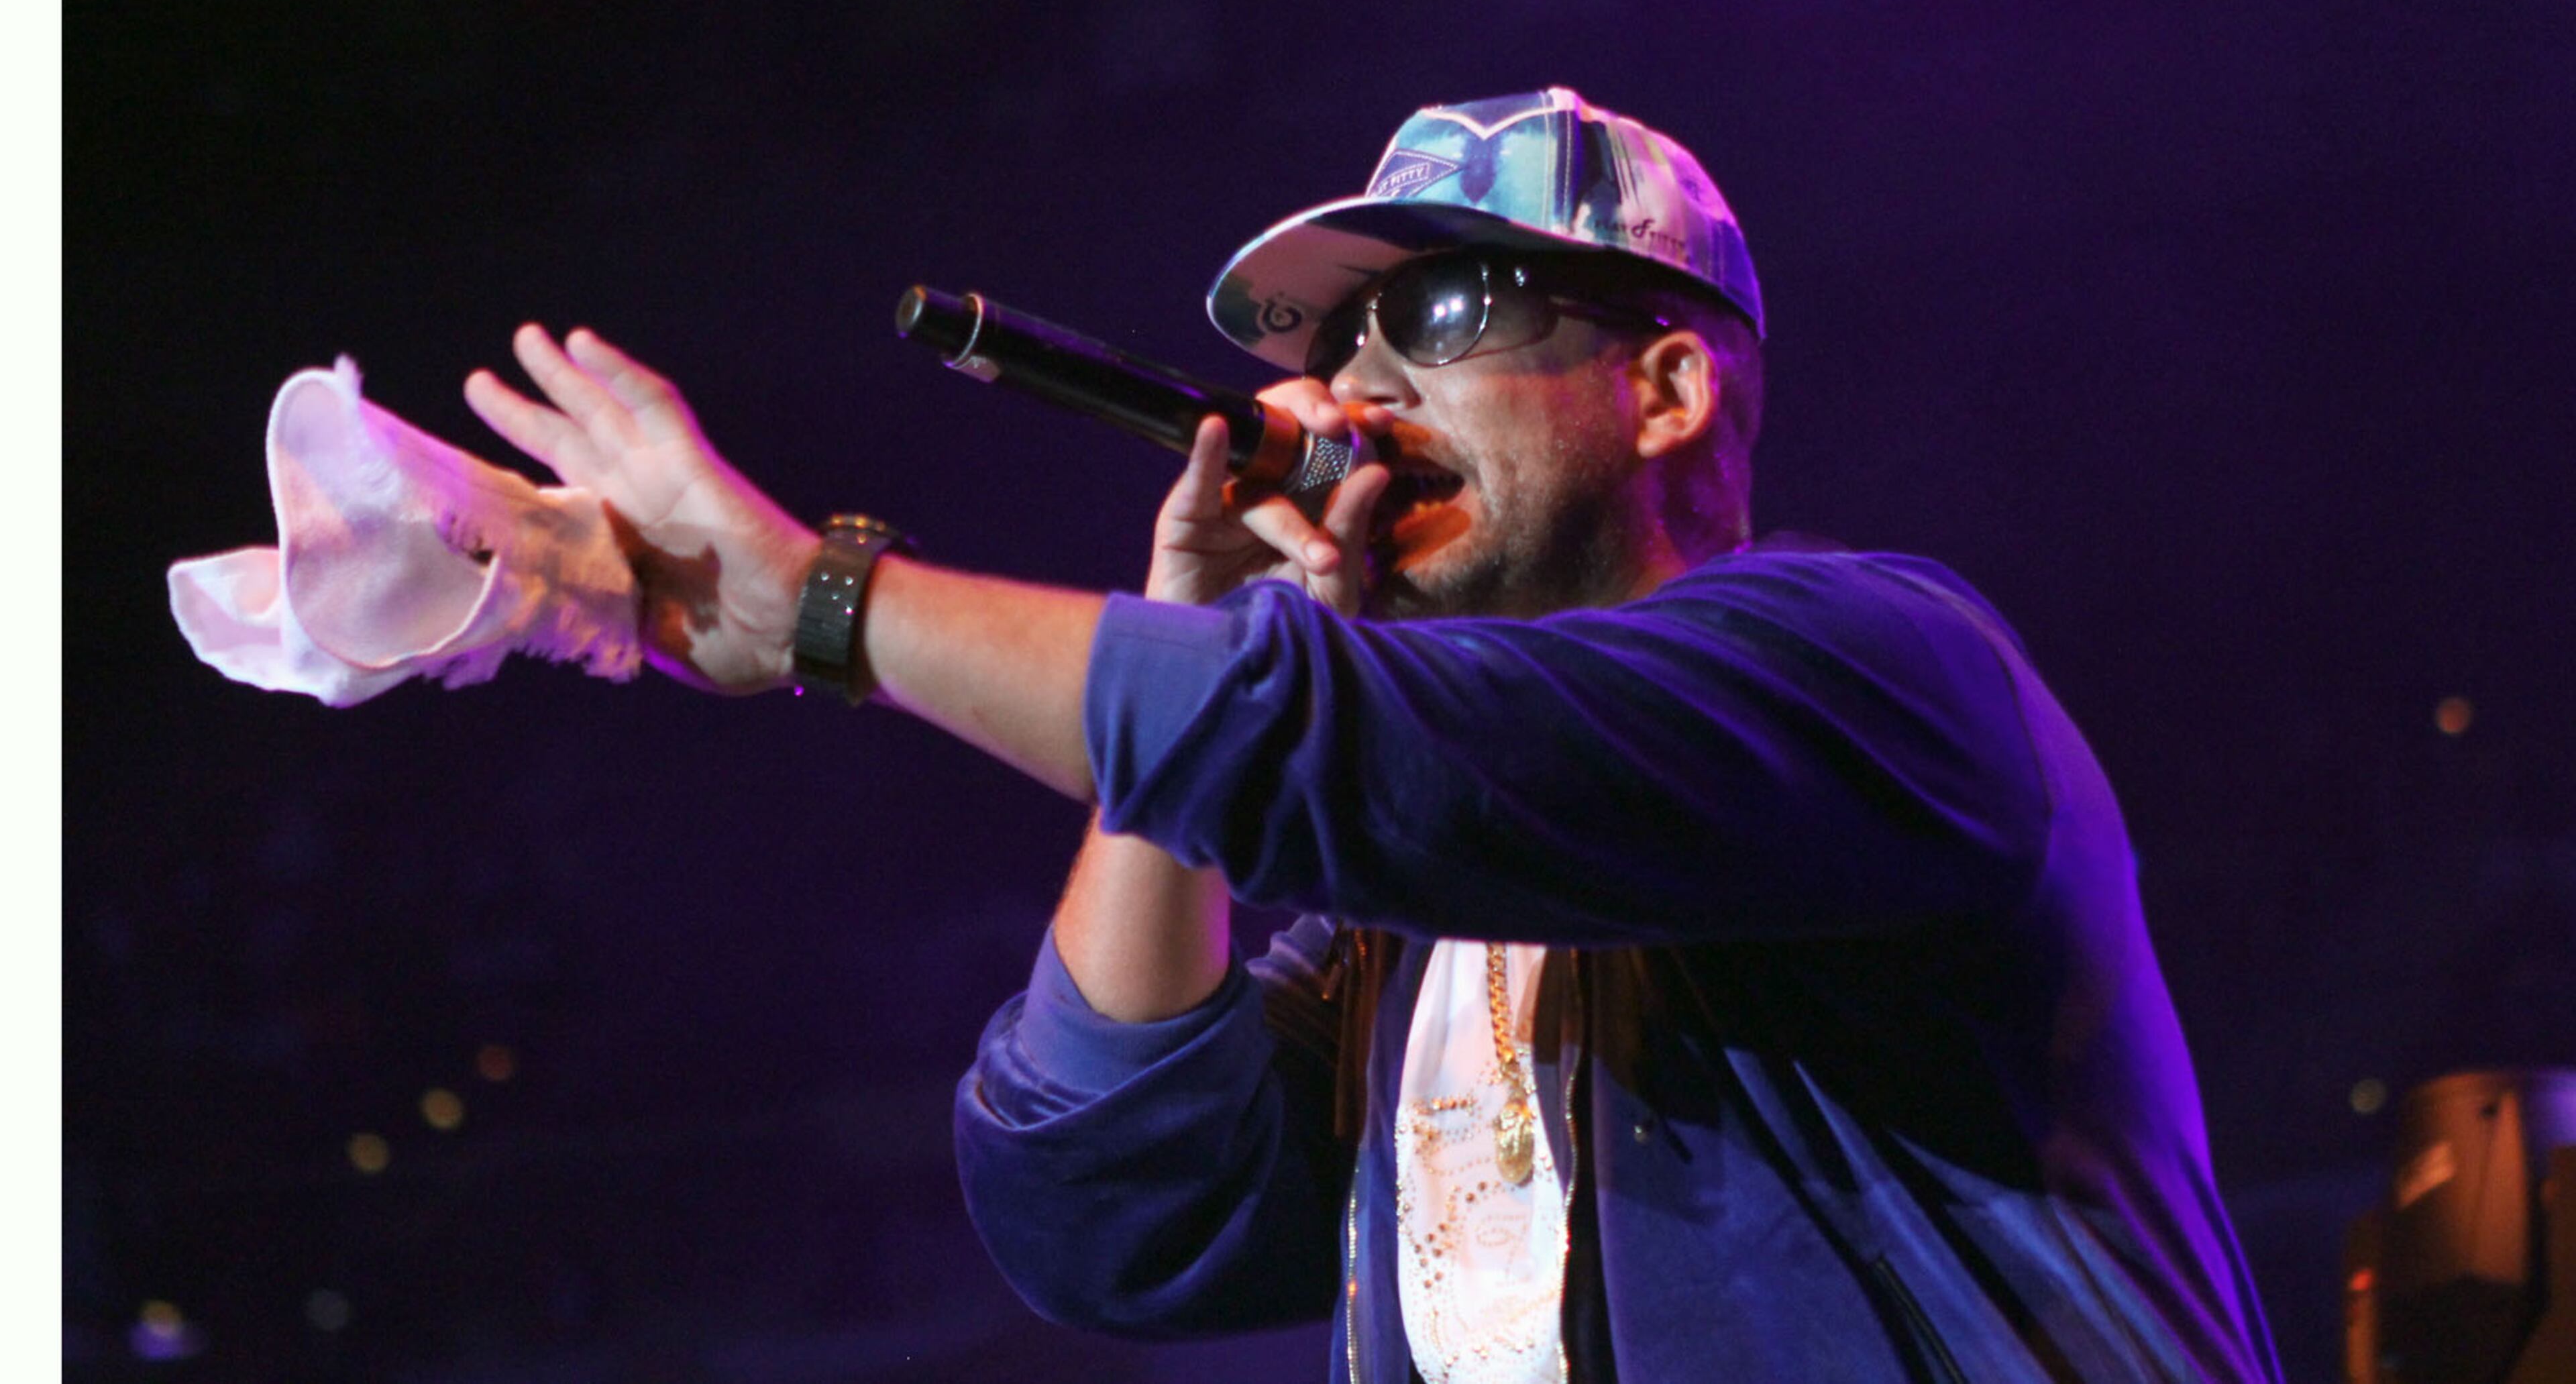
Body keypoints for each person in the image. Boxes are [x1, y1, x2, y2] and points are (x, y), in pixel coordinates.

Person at [464, 88, 2282, 1381]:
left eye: (1443, 312)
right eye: (1338, 339)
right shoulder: (1413, 927)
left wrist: (827, 604)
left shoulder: (1877, 671)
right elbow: (1108, 1202)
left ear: (1665, 385)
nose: (1356, 388)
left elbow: (1331, 753)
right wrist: (1194, 637)